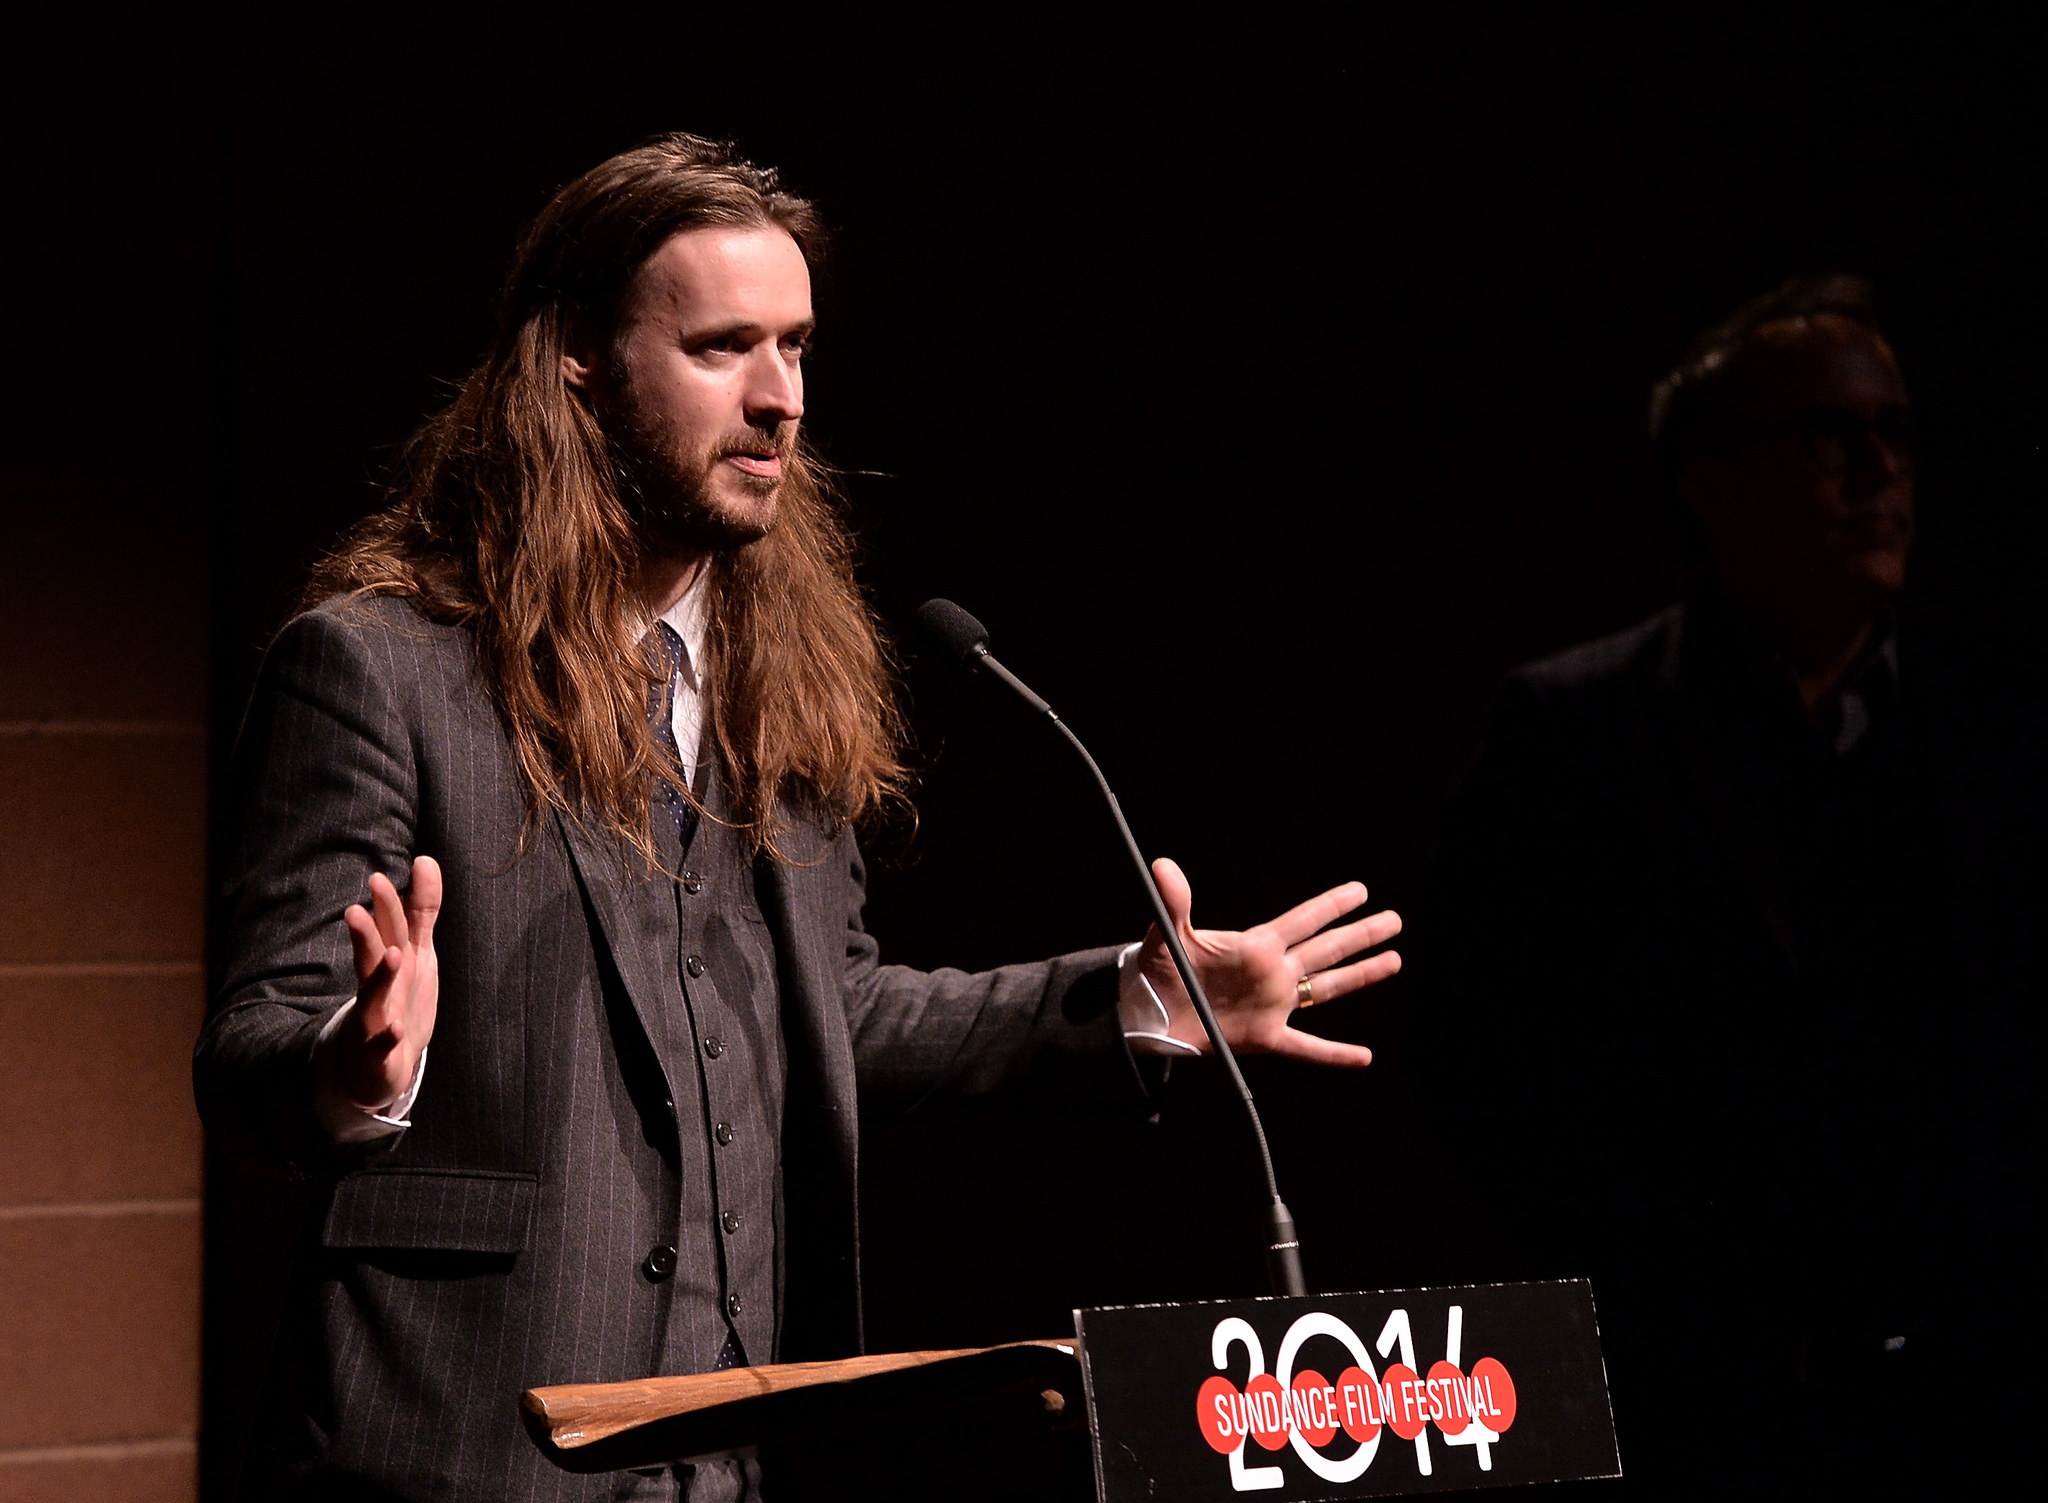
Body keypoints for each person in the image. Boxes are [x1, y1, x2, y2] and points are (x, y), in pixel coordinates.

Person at [196, 134, 1404, 1502]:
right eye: (722, 347)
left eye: (798, 346)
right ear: (575, 361)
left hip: (742, 1451)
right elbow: (250, 1049)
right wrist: (358, 1070)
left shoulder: (780, 677)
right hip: (462, 1444)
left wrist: (1132, 999)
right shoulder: (378, 665)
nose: (781, 399)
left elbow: (836, 1012)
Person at [1415, 273, 2040, 1492]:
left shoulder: (2000, 728)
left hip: (1982, 1388)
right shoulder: (1574, 726)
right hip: (1695, 1401)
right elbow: (1475, 1049)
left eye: (1893, 432)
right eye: (1827, 433)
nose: (1877, 471)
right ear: (1708, 481)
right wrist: (1653, 1287)